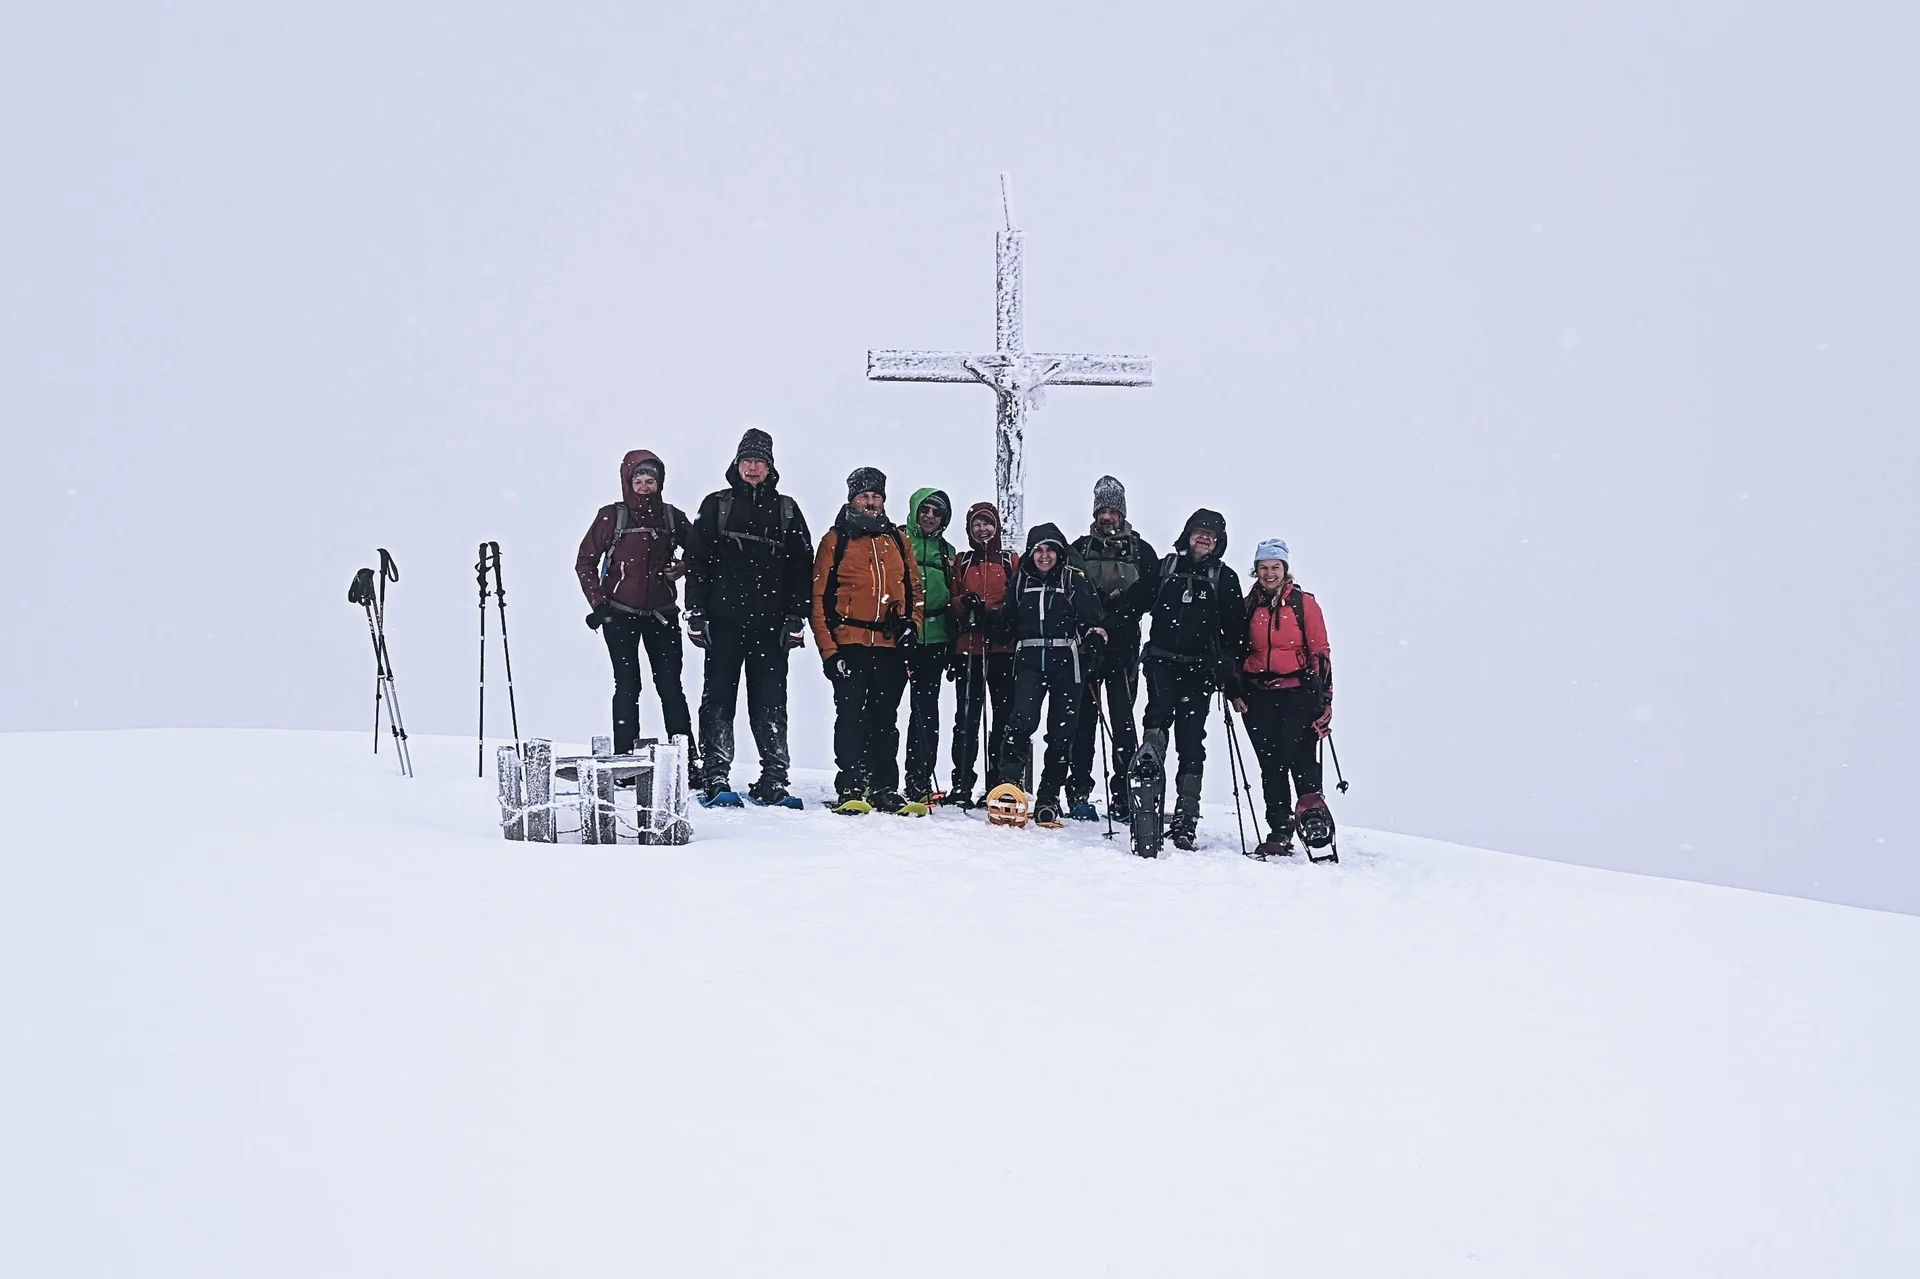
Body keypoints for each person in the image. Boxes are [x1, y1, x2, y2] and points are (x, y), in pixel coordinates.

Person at [684, 430, 814, 808]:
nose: (753, 467)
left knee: (770, 702)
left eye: (759, 461)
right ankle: (715, 774)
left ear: (770, 467)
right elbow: (697, 563)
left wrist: (795, 616)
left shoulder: (786, 509)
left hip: (771, 627)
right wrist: (696, 612)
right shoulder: (716, 505)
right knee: (719, 699)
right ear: (736, 464)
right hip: (723, 624)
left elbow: (801, 567)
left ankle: (774, 777)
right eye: (747, 461)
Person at [812, 467, 923, 812]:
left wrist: (913, 625)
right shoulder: (835, 540)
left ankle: (885, 787)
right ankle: (850, 787)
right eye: (864, 497)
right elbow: (816, 600)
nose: (871, 502)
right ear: (852, 500)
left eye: (876, 497)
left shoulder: (897, 540)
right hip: (849, 643)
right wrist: (829, 652)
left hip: (890, 645)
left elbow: (915, 591)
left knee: (885, 718)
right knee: (850, 716)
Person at [574, 449, 697, 760]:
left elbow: (701, 551)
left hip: (662, 615)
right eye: (638, 480)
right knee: (628, 686)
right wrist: (599, 605)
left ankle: (686, 759)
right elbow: (585, 562)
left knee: (670, 686)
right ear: (627, 482)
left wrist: (683, 567)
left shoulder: (671, 516)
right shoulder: (612, 516)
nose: (644, 486)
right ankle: (625, 759)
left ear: (660, 483)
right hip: (619, 614)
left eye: (650, 481)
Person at [1139, 509, 1248, 850]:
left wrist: (1228, 669)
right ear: (1188, 534)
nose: (1204, 538)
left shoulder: (1224, 578)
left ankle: (1186, 817)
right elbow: (1133, 603)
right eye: (1199, 531)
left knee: (1190, 741)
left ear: (1219, 543)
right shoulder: (1166, 567)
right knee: (1156, 722)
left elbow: (1235, 633)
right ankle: (1148, 801)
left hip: (1200, 671)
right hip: (1161, 663)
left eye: (1211, 535)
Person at [994, 523, 1108, 826]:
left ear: (1059, 552)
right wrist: (997, 625)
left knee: (1061, 732)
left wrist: (1095, 638)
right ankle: (1009, 788)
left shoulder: (1072, 580)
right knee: (1021, 722)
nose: (1044, 556)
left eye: (1050, 550)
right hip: (1030, 658)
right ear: (1031, 554)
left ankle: (1048, 796)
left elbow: (1092, 619)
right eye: (1039, 551)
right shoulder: (1020, 582)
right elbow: (1008, 618)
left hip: (1065, 662)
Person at [1233, 539, 1335, 855]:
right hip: (1257, 695)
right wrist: (1234, 689)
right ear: (1256, 570)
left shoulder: (1304, 605)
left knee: (1301, 758)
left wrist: (1326, 700)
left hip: (1298, 693)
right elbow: (1236, 651)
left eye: (1275, 567)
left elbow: (1320, 653)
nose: (1269, 573)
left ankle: (1312, 819)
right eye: (1263, 568)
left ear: (1285, 569)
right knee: (1271, 764)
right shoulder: (1247, 605)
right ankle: (1279, 828)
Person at [1068, 476, 1159, 821]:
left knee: (1122, 723)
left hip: (1123, 648)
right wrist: (1093, 621)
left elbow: (1148, 597)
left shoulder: (1141, 550)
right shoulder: (1079, 548)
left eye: (1113, 511)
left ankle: (1124, 795)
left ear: (1122, 514)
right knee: (1083, 723)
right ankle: (1078, 791)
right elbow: (1071, 590)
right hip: (1088, 647)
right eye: (1102, 510)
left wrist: (1115, 616)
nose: (1107, 517)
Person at [945, 501, 1018, 809]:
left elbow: (1017, 599)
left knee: (1003, 717)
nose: (982, 529)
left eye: (987, 523)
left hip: (1002, 649)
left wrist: (1001, 619)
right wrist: (966, 603)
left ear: (996, 526)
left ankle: (999, 782)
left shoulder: (1010, 560)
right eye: (976, 524)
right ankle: (961, 782)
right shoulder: (962, 561)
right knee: (967, 718)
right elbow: (952, 599)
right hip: (970, 648)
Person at [902, 488, 957, 804]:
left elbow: (953, 594)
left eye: (937, 513)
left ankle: (918, 779)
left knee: (925, 711)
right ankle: (875, 777)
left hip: (934, 638)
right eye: (925, 510)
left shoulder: (948, 552)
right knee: (882, 708)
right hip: (899, 635)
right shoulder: (898, 540)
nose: (930, 516)